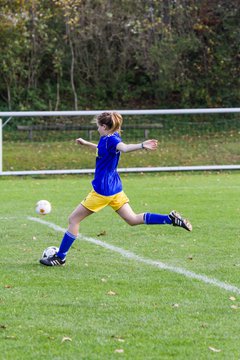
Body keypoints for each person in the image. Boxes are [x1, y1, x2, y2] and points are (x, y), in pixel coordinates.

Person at [40, 112, 192, 266]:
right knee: (132, 219)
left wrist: (141, 145)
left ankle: (60, 257)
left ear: (104, 127)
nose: (97, 129)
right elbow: (102, 149)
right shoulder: (106, 139)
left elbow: (124, 148)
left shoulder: (112, 139)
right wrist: (86, 144)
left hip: (102, 191)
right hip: (115, 189)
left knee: (73, 220)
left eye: (98, 126)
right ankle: (170, 219)